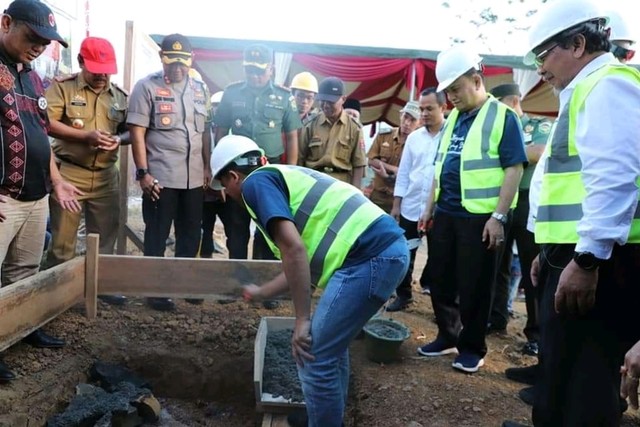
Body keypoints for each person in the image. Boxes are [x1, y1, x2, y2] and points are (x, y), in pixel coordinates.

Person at [210, 135, 409, 427]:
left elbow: (294, 249)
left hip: (370, 257)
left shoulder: (255, 184)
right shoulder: (282, 178)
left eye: (224, 185)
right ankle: (326, 417)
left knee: (313, 355)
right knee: (329, 348)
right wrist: (262, 291)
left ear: (233, 176)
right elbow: (302, 264)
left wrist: (302, 319)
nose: (226, 192)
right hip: (383, 253)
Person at [508, 0, 640, 425]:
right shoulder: (583, 90)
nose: (539, 68)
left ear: (578, 43)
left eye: (543, 54)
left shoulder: (608, 85)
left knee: (586, 379)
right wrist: (544, 249)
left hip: (597, 259)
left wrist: (587, 258)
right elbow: (560, 181)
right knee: (561, 366)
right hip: (570, 251)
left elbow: (615, 177)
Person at [416, 45, 526, 374]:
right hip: (446, 213)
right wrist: (428, 208)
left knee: (475, 285)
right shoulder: (453, 121)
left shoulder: (502, 117)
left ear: (476, 80)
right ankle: (447, 334)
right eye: (447, 91)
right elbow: (441, 167)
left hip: (480, 217)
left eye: (455, 89)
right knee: (440, 277)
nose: (450, 97)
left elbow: (514, 169)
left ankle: (472, 347)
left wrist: (498, 216)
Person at [0, 0, 82, 382]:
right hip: (3, 197)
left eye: (46, 41)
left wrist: (58, 178)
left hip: (35, 195)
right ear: (6, 24)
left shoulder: (32, 77)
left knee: (25, 270)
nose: (39, 46)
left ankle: (21, 329)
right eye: (33, 37)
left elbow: (41, 134)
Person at [127, 33, 212, 312]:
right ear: (162, 59)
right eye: (170, 61)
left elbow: (205, 134)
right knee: (157, 235)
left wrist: (208, 166)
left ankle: (183, 285)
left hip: (194, 179)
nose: (176, 68)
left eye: (182, 62)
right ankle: (156, 290)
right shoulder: (146, 87)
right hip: (160, 179)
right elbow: (137, 133)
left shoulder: (200, 89)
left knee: (190, 235)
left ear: (191, 60)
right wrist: (143, 174)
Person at [45, 36, 129, 306]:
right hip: (70, 173)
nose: (102, 76)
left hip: (106, 176)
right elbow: (46, 123)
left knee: (105, 237)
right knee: (62, 241)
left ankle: (100, 285)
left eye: (107, 70)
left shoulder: (118, 96)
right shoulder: (63, 89)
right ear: (81, 62)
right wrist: (85, 137)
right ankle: (57, 294)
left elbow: (130, 131)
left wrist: (118, 139)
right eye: (96, 69)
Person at [214, 43, 301, 262]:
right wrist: (220, 171)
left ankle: (264, 281)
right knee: (236, 228)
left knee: (269, 226)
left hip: (269, 168)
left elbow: (292, 137)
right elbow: (221, 132)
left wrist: (289, 174)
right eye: (250, 70)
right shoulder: (231, 93)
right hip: (238, 170)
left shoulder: (284, 97)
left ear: (271, 68)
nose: (254, 75)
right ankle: (237, 279)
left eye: (259, 70)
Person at [487, 82, 551, 356]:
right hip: (503, 201)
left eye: (498, 104)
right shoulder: (496, 130)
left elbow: (540, 152)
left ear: (512, 102)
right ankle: (496, 316)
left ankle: (536, 333)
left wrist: (509, 154)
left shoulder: (537, 124)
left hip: (526, 202)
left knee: (530, 268)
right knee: (497, 263)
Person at [387, 89, 446, 311]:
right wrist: (396, 205)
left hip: (439, 209)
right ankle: (403, 295)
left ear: (443, 107)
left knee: (440, 258)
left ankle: (441, 307)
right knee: (404, 253)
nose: (424, 114)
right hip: (411, 206)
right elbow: (403, 173)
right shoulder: (414, 138)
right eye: (421, 109)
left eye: (429, 109)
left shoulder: (452, 134)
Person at [299, 77, 367, 188]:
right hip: (312, 184)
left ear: (343, 99)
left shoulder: (354, 128)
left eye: (331, 101)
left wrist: (355, 194)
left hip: (341, 186)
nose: (325, 105)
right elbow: (300, 159)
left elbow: (358, 165)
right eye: (322, 101)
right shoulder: (310, 124)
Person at [367, 100, 421, 214]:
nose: (407, 123)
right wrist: (393, 169)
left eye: (412, 120)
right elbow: (371, 160)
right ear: (400, 115)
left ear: (419, 123)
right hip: (378, 195)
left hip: (402, 199)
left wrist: (390, 173)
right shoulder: (384, 135)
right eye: (405, 117)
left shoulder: (419, 144)